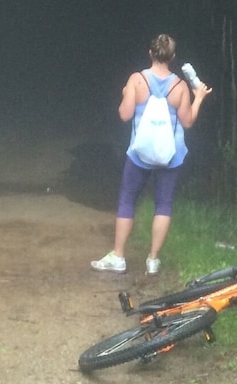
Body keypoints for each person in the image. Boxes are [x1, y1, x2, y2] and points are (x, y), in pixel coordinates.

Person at [91, 34, 212, 275]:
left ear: (150, 53)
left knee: (127, 200)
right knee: (164, 204)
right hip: (171, 156)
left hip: (140, 154)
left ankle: (118, 257)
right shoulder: (180, 86)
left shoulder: (137, 80)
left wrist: (126, 93)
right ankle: (153, 260)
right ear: (173, 58)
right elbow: (187, 122)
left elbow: (125, 115)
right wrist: (198, 99)